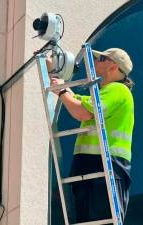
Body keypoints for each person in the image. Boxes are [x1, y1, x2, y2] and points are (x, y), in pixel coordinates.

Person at [49, 48, 134, 223]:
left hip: (105, 167)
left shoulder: (118, 90)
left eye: (101, 58)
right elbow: (78, 101)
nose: (95, 61)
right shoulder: (104, 93)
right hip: (92, 166)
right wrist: (55, 76)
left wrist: (62, 91)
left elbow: (82, 113)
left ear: (113, 65)